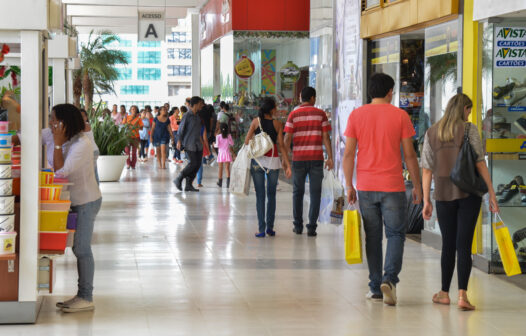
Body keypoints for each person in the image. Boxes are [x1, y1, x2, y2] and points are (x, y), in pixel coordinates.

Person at [342, 73, 422, 306]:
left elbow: (348, 154)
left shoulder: (357, 115)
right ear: (389, 92)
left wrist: (349, 185)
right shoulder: (400, 116)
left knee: (373, 238)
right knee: (396, 234)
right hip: (393, 186)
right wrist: (417, 185)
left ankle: (376, 287)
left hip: (366, 186)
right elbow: (409, 155)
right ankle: (390, 280)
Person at [421, 93, 499, 311]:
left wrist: (426, 200)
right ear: (463, 109)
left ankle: (444, 293)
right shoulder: (469, 129)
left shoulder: (432, 132)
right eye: (469, 110)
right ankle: (463, 295)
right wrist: (491, 193)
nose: (470, 114)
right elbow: (480, 163)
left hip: (443, 195)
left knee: (448, 244)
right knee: (464, 245)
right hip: (469, 194)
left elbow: (427, 169)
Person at [44, 104, 102, 313]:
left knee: (82, 249)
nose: (50, 123)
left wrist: (58, 145)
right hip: (71, 201)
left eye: (53, 119)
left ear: (64, 123)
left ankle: (86, 297)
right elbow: (24, 137)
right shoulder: (53, 134)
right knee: (76, 247)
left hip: (86, 201)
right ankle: (82, 295)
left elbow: (61, 172)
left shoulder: (82, 144)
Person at [284, 86, 333, 237]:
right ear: (313, 98)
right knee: (315, 193)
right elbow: (325, 137)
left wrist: (285, 160)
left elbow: (287, 139)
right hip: (316, 159)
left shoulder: (293, 115)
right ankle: (311, 227)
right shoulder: (321, 115)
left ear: (301, 98)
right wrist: (330, 157)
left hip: (298, 159)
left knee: (297, 192)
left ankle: (298, 226)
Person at [246, 97, 292, 237]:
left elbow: (247, 141)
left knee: (260, 196)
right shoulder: (277, 124)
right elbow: (281, 145)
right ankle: (270, 228)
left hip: (257, 162)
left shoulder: (255, 122)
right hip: (273, 162)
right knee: (271, 195)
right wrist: (287, 164)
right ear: (272, 109)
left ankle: (261, 229)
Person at [174, 96, 205, 192]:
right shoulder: (187, 115)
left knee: (197, 165)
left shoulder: (197, 116)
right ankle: (179, 178)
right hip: (189, 143)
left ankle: (188, 184)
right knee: (193, 163)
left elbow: (198, 131)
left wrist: (202, 142)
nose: (202, 105)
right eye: (200, 104)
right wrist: (179, 141)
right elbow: (181, 129)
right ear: (195, 104)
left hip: (198, 144)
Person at [79, 108, 100, 184]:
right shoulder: (81, 125)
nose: (82, 118)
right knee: (93, 172)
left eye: (84, 116)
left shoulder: (85, 125)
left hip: (92, 151)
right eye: (80, 116)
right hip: (90, 151)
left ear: (86, 117)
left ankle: (96, 191)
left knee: (93, 173)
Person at [122, 105, 143, 169]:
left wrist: (136, 127)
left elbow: (141, 128)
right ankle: (128, 164)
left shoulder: (138, 118)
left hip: (135, 137)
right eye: (132, 109)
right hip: (127, 136)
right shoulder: (127, 117)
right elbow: (123, 125)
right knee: (127, 151)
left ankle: (133, 165)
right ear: (130, 110)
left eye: (135, 109)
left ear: (136, 110)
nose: (134, 110)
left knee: (134, 152)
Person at [214, 123, 234, 188]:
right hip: (227, 153)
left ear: (220, 129)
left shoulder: (218, 136)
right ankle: (228, 183)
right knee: (227, 168)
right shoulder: (229, 136)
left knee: (220, 168)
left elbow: (217, 145)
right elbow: (232, 143)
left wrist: (213, 144)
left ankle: (220, 182)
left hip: (221, 154)